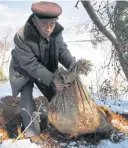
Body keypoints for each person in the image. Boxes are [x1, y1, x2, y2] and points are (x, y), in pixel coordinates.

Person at [9, 1, 76, 139]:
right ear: (34, 21)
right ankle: (33, 134)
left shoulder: (56, 31)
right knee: (26, 95)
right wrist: (52, 78)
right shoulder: (21, 36)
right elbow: (30, 65)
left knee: (56, 95)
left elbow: (62, 50)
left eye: (52, 24)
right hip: (23, 69)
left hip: (44, 66)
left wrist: (73, 64)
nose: (48, 29)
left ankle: (64, 126)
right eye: (44, 24)